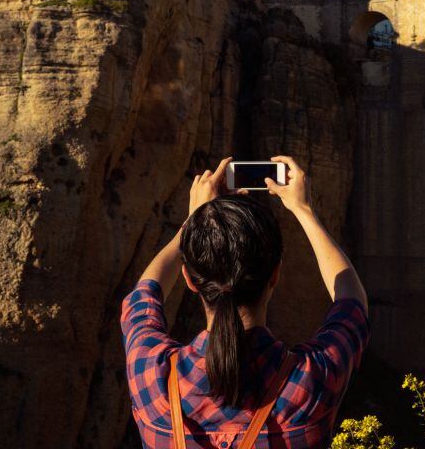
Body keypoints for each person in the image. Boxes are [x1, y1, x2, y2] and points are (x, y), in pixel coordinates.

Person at [121, 155, 369, 449]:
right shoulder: (312, 381)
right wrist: (303, 211)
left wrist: (194, 222)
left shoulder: (153, 376)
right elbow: (353, 302)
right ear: (275, 275)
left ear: (188, 278)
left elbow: (142, 297)